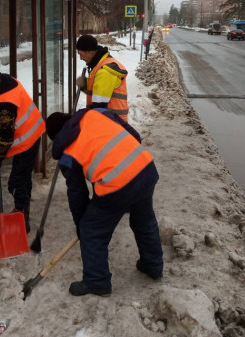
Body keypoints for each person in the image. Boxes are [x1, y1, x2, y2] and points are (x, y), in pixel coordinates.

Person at [45, 107, 163, 297]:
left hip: (117, 188)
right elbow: (134, 135)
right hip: (145, 169)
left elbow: (77, 193)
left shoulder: (67, 153)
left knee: (92, 231)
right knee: (144, 221)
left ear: (56, 137)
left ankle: (97, 281)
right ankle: (153, 266)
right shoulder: (98, 113)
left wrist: (81, 224)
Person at [0, 72, 46, 233]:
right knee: (23, 177)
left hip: (26, 141)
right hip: (33, 133)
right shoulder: (7, 82)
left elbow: (6, 136)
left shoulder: (3, 104)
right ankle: (23, 210)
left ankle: (21, 214)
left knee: (15, 182)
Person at [76, 34, 129, 121]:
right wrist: (85, 86)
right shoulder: (101, 64)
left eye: (81, 54)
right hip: (113, 120)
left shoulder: (104, 72)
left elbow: (99, 106)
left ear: (89, 51)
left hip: (111, 123)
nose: (81, 58)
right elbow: (99, 90)